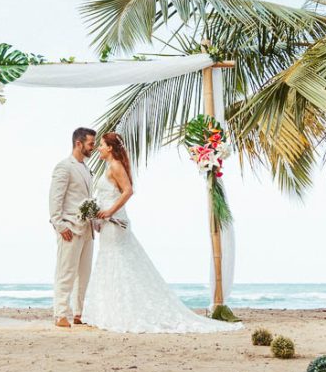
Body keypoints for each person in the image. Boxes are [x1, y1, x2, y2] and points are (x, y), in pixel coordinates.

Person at [82, 132, 232, 333]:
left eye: (101, 145)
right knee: (111, 262)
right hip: (108, 223)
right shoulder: (110, 167)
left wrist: (109, 211)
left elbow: (128, 191)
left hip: (115, 223)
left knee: (119, 262)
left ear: (110, 148)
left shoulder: (116, 166)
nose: (98, 148)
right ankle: (111, 310)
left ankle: (122, 312)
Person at [48, 127, 96, 328]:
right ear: (79, 143)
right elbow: (55, 198)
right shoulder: (64, 167)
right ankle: (60, 314)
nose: (93, 147)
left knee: (84, 274)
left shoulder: (86, 168)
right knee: (66, 272)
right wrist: (59, 224)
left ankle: (79, 313)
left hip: (87, 230)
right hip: (70, 228)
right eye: (91, 143)